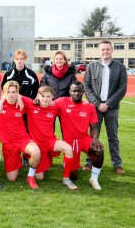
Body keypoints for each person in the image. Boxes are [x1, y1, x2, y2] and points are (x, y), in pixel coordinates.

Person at [83, 40, 127, 175]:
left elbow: (122, 88)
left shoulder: (120, 67)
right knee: (93, 136)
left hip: (112, 108)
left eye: (107, 49)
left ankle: (117, 165)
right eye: (102, 49)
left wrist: (107, 104)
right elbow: (86, 86)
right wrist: (97, 104)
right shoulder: (91, 66)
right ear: (99, 51)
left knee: (113, 136)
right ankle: (89, 163)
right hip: (95, 108)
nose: (105, 52)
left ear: (112, 50)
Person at [20, 86, 77, 190]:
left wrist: (84, 101)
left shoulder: (55, 106)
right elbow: (14, 94)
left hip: (50, 141)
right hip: (36, 143)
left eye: (48, 96)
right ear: (37, 96)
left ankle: (66, 179)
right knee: (40, 177)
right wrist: (0, 102)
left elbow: (71, 101)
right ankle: (37, 162)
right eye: (42, 96)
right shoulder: (31, 103)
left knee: (68, 149)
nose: (45, 99)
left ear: (52, 97)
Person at [54, 81, 105, 190]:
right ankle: (72, 169)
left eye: (79, 91)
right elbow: (48, 104)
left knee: (99, 150)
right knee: (73, 177)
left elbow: (94, 128)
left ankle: (94, 178)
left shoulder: (89, 106)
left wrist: (95, 138)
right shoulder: (62, 102)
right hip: (69, 143)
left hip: (83, 139)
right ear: (70, 92)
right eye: (74, 91)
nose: (76, 93)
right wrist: (38, 100)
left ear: (83, 92)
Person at [0, 81, 41, 189]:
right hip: (8, 143)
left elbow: (37, 102)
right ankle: (19, 158)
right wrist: (1, 100)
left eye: (14, 92)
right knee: (12, 179)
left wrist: (21, 98)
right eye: (8, 92)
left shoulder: (23, 102)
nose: (11, 95)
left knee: (36, 152)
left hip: (22, 139)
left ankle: (30, 176)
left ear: (18, 93)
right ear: (4, 93)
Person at [1, 49, 39, 166]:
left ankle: (25, 156)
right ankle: (14, 154)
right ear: (14, 60)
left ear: (25, 60)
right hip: (12, 109)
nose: (19, 61)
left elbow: (36, 91)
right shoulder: (8, 75)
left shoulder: (31, 74)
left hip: (26, 109)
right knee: (13, 131)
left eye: (22, 59)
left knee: (26, 130)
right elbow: (4, 90)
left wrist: (29, 102)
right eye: (17, 59)